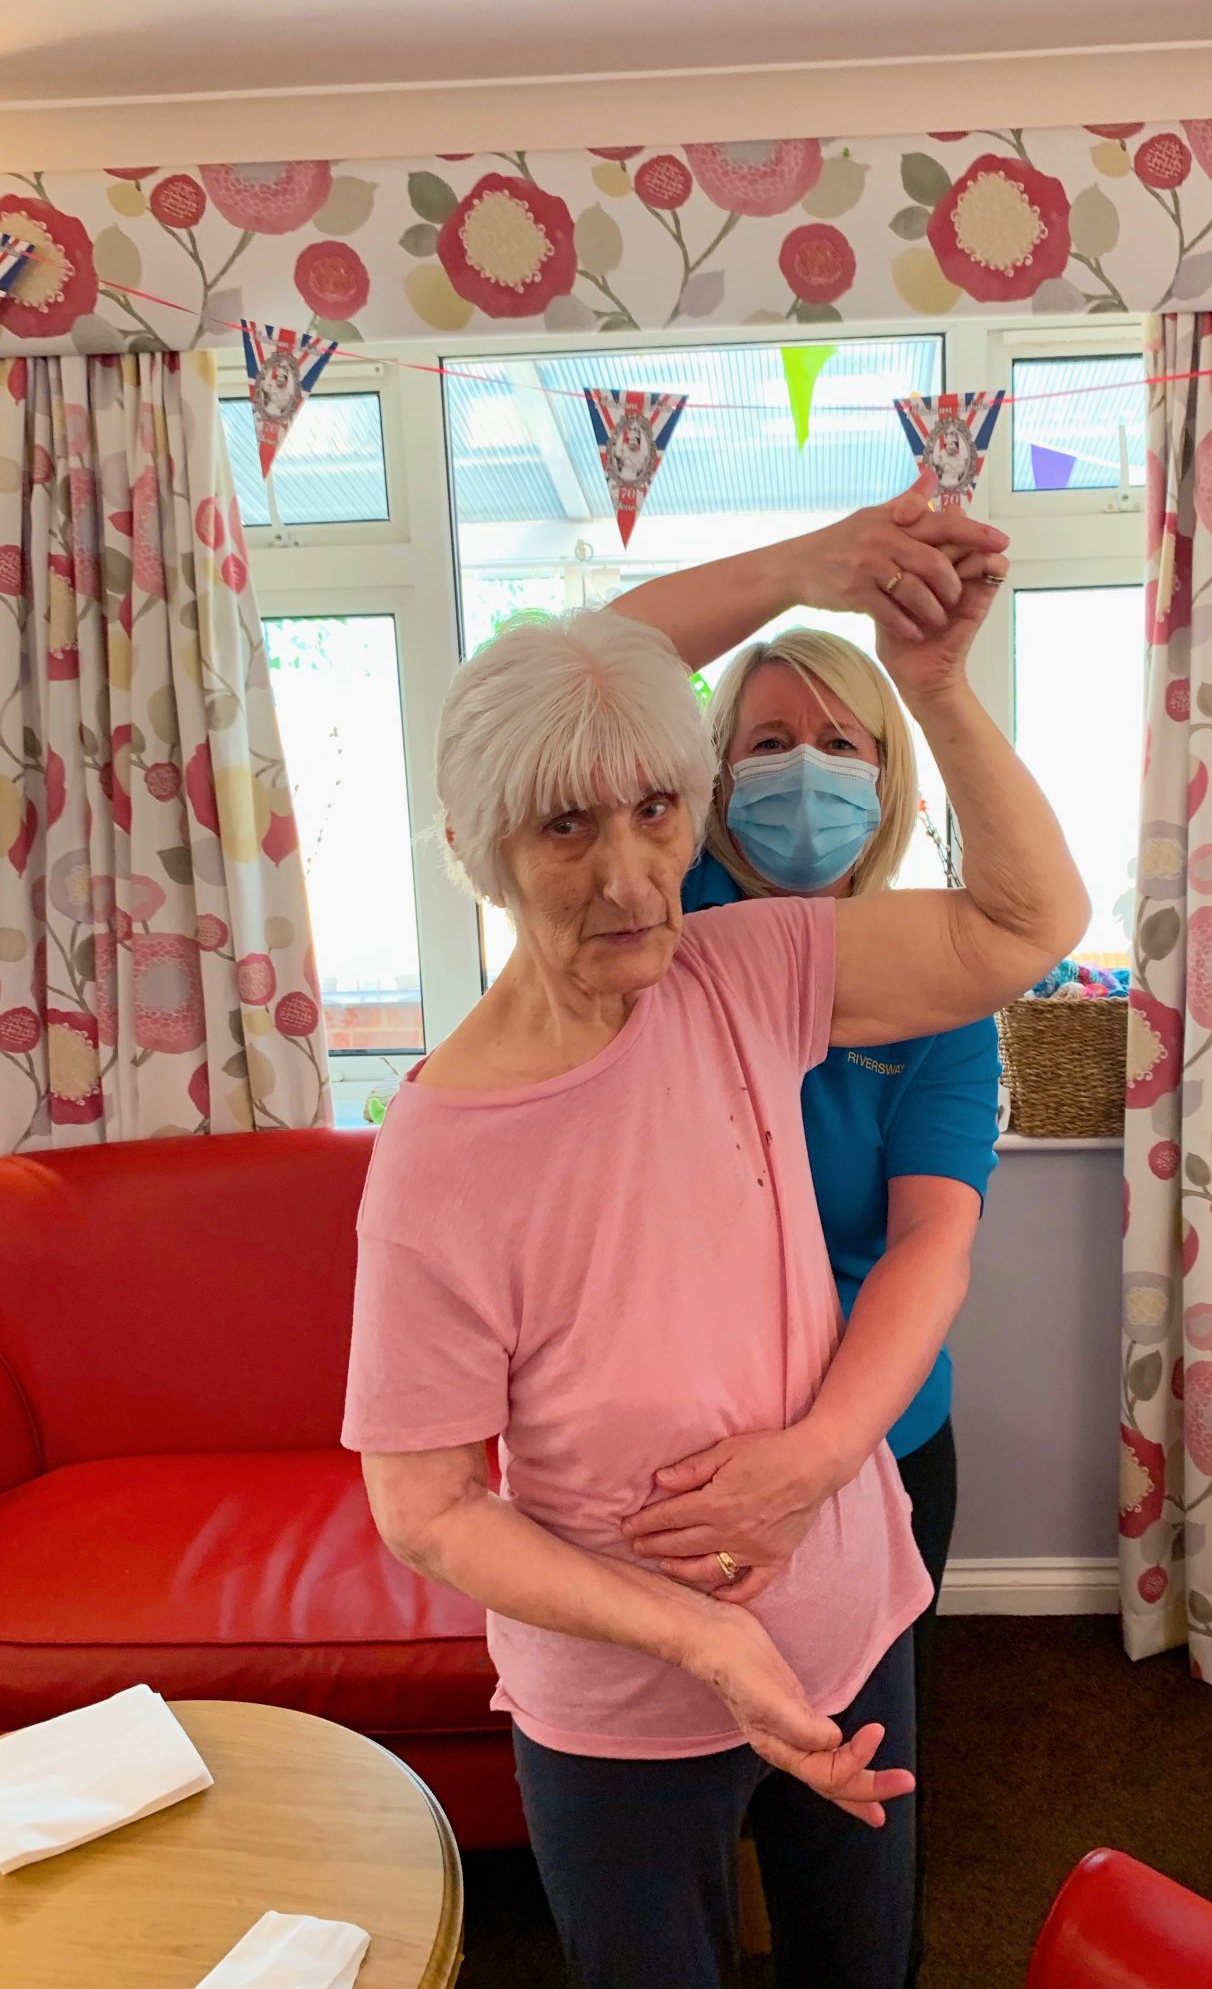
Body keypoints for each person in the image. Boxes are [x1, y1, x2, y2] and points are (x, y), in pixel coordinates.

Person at [342, 481, 1089, 1989]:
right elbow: (425, 1509)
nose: (628, 878)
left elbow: (1027, 926)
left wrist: (936, 685)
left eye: (653, 812)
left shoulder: (736, 967)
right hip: (621, 1700)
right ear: (481, 842)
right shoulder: (436, 1151)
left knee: (862, 1965)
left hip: (845, 1614)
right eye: (565, 823)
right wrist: (702, 1639)